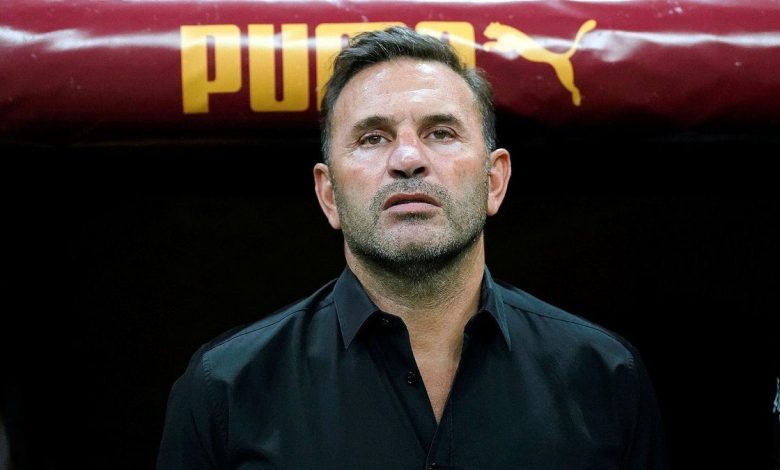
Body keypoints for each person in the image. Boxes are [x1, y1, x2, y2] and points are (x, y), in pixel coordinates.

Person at [157, 26, 668, 469]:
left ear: (494, 181)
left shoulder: (606, 376)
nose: (407, 159)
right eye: (372, 138)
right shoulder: (225, 390)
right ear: (329, 195)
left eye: (440, 132)